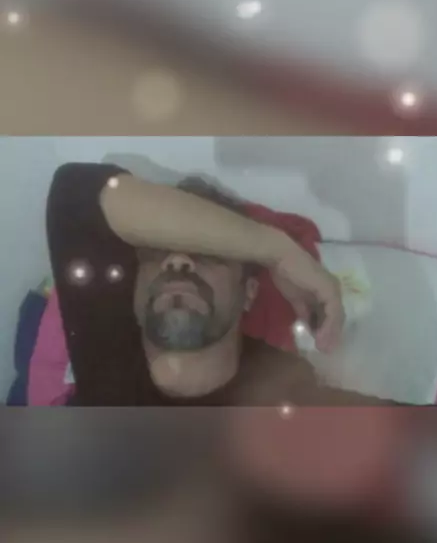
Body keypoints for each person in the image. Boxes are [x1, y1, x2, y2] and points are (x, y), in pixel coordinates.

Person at [46, 162, 385, 406]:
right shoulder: (104, 345)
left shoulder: (288, 395)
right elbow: (75, 191)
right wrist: (280, 252)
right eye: (157, 251)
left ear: (249, 293)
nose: (178, 262)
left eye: (208, 254)